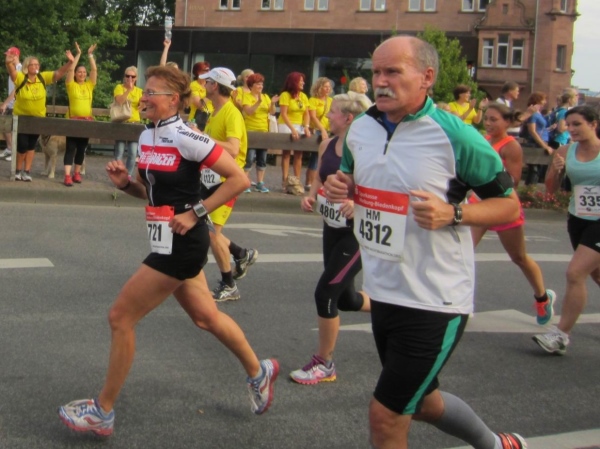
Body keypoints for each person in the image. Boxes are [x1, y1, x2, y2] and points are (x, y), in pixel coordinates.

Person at [324, 36, 525, 449]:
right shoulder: (361, 129)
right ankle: (495, 445)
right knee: (423, 402)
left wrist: (454, 213)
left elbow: (509, 206)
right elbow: (353, 181)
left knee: (387, 415)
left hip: (435, 298)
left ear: (426, 77)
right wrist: (341, 187)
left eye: (393, 72)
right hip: (384, 291)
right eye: (376, 72)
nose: (381, 81)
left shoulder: (457, 136)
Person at [57, 65, 279, 437]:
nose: (143, 97)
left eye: (151, 92)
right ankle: (260, 372)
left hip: (184, 243)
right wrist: (125, 184)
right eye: (144, 91)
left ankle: (102, 412)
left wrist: (195, 213)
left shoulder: (188, 136)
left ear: (173, 99)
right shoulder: (146, 136)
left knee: (120, 317)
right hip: (165, 237)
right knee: (206, 318)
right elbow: (150, 192)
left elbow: (239, 179)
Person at [291, 91, 371, 385]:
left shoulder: (365, 150)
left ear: (348, 118)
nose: (327, 115)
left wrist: (357, 204)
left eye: (333, 111)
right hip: (332, 226)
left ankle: (325, 363)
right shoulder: (327, 144)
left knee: (326, 293)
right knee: (347, 298)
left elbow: (380, 187)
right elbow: (319, 177)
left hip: (357, 232)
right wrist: (311, 196)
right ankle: (394, 308)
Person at [471, 103, 556, 325]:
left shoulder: (511, 146)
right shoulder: (483, 140)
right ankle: (461, 302)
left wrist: (486, 178)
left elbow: (514, 181)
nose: (488, 123)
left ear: (507, 122)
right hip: (480, 205)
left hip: (503, 206)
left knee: (519, 257)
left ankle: (542, 297)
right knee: (464, 254)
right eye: (486, 119)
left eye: (494, 119)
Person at [533, 105, 600, 355]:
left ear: (593, 124)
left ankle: (560, 335)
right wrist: (555, 169)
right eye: (568, 124)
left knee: (575, 273)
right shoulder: (565, 150)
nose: (571, 129)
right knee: (596, 275)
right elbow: (551, 189)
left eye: (577, 124)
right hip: (578, 219)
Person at [198, 67, 258, 301]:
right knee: (204, 227)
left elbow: (233, 148)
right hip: (210, 179)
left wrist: (202, 138)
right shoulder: (215, 111)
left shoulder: (232, 113)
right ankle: (241, 254)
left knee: (212, 234)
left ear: (215, 85)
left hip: (227, 181)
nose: (204, 85)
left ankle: (229, 285)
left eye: (207, 82)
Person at [5, 49, 73, 181]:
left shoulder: (42, 77)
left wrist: (69, 63)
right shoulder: (21, 77)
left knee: (31, 145)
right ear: (27, 66)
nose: (36, 66)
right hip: (22, 118)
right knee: (22, 145)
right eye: (33, 64)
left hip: (38, 119)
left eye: (37, 64)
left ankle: (27, 171)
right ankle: (18, 170)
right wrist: (9, 64)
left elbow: (58, 74)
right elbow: (13, 74)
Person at [63, 42, 97, 187]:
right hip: (72, 121)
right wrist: (78, 54)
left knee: (81, 149)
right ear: (76, 74)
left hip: (86, 121)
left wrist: (90, 55)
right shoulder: (71, 85)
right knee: (70, 148)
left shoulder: (89, 85)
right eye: (79, 72)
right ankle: (67, 175)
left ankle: (76, 173)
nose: (82, 74)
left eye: (84, 72)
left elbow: (94, 70)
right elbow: (70, 70)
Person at [240, 72, 278, 193]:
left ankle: (260, 183)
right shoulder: (246, 97)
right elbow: (249, 112)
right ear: (251, 85)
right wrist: (258, 102)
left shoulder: (266, 97)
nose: (260, 86)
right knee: (249, 158)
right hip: (251, 130)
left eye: (261, 84)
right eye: (258, 84)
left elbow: (272, 112)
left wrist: (272, 103)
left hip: (263, 131)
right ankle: (244, 182)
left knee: (262, 158)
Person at [278, 72, 311, 191]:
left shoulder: (303, 96)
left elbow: (306, 114)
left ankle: (296, 181)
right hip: (286, 124)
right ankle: (285, 181)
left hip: (299, 125)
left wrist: (306, 126)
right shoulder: (285, 95)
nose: (303, 83)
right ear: (294, 82)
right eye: (300, 81)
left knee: (299, 154)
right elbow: (284, 114)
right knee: (286, 153)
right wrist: (292, 129)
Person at [113, 66, 143, 176]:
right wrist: (129, 89)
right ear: (124, 77)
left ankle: (128, 175)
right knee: (119, 151)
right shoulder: (119, 87)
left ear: (136, 78)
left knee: (133, 152)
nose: (130, 78)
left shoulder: (139, 91)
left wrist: (143, 104)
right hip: (121, 122)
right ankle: (118, 174)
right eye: (127, 76)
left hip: (134, 123)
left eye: (133, 76)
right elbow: (119, 101)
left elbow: (142, 106)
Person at [306, 77, 333, 190]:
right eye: (325, 87)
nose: (328, 89)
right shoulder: (313, 100)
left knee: (327, 157)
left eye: (329, 87)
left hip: (329, 130)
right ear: (319, 87)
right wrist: (322, 129)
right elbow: (313, 116)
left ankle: (322, 182)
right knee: (316, 156)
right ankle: (309, 182)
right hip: (318, 130)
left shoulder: (331, 101)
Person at [522, 92, 554, 185]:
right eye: (543, 100)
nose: (545, 102)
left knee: (537, 169)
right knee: (534, 169)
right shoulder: (534, 114)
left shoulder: (538, 113)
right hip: (536, 143)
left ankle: (530, 188)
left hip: (541, 141)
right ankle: (529, 189)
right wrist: (544, 146)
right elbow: (532, 131)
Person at [0, 47, 21, 162]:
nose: (7, 57)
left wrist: (5, 103)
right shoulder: (11, 69)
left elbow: (17, 89)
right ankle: (9, 148)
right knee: (4, 125)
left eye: (9, 55)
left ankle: (14, 151)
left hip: (17, 104)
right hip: (11, 104)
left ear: (15, 56)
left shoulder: (20, 69)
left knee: (12, 128)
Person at [188, 61, 213, 131]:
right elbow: (199, 104)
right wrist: (209, 93)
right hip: (196, 119)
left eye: (209, 70)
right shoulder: (193, 85)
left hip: (210, 119)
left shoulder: (210, 84)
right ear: (199, 72)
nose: (209, 72)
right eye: (206, 70)